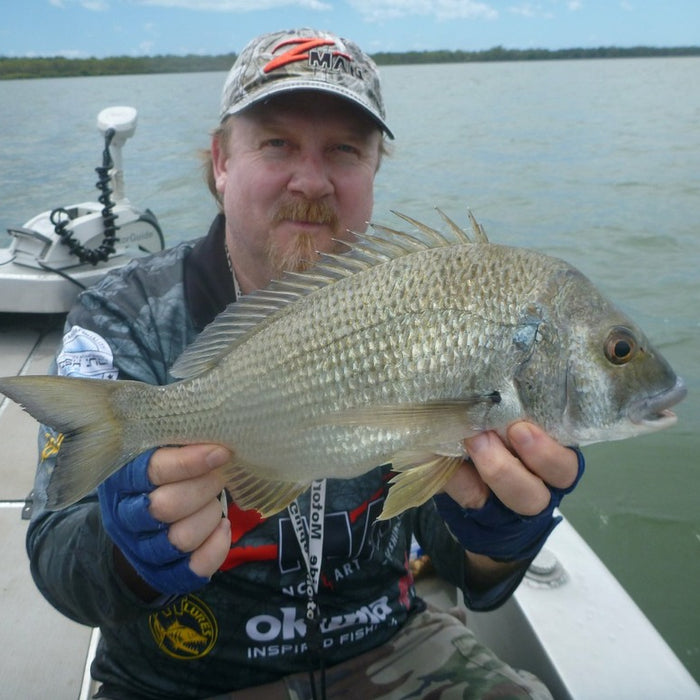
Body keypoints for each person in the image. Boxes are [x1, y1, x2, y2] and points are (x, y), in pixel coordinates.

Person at [26, 28, 584, 700]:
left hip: (389, 643)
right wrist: (124, 552)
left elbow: (465, 570)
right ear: (222, 161)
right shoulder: (125, 313)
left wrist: (503, 533)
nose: (312, 181)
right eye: (277, 143)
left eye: (345, 150)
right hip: (179, 676)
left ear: (376, 166)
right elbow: (59, 562)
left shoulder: (426, 307)